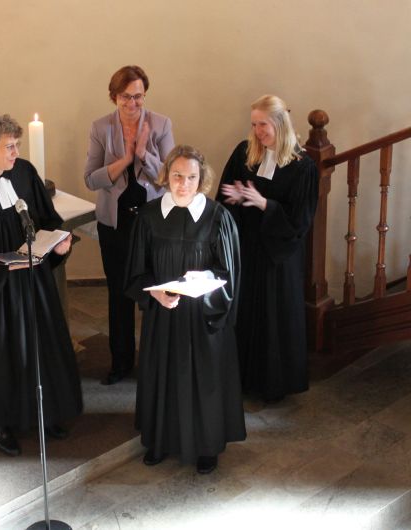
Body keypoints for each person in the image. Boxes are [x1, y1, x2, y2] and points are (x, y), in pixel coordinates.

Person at [0, 114, 83, 456]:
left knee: (41, 347)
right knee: (3, 357)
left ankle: (45, 413)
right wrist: (2, 269)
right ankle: (1, 423)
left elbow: (47, 219)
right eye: (8, 147)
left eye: (17, 145)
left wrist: (59, 242)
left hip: (34, 284)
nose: (15, 152)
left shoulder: (24, 173)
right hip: (0, 295)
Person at [125, 145, 245, 474]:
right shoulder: (149, 217)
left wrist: (204, 281)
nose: (184, 184)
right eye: (177, 175)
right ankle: (159, 441)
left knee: (202, 379)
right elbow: (135, 273)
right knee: (163, 377)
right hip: (164, 315)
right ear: (166, 176)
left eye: (192, 177)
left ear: (201, 179)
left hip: (202, 318)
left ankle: (207, 445)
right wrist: (157, 295)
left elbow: (228, 274)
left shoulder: (218, 217)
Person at [217, 94, 318, 402]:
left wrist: (264, 204)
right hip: (247, 247)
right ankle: (243, 378)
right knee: (245, 313)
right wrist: (233, 199)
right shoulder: (244, 152)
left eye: (264, 124)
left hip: (279, 256)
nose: (258, 131)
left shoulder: (303, 167)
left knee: (274, 319)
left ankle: (274, 384)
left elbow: (300, 221)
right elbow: (225, 193)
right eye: (254, 124)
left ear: (279, 123)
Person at [84, 65, 175, 385]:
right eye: (126, 97)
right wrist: (124, 160)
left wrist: (143, 154)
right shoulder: (100, 127)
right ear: (114, 97)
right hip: (115, 223)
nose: (133, 103)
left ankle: (155, 362)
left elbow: (169, 178)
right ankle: (120, 363)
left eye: (139, 96)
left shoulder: (161, 124)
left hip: (152, 223)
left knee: (154, 289)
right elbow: (90, 179)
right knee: (119, 293)